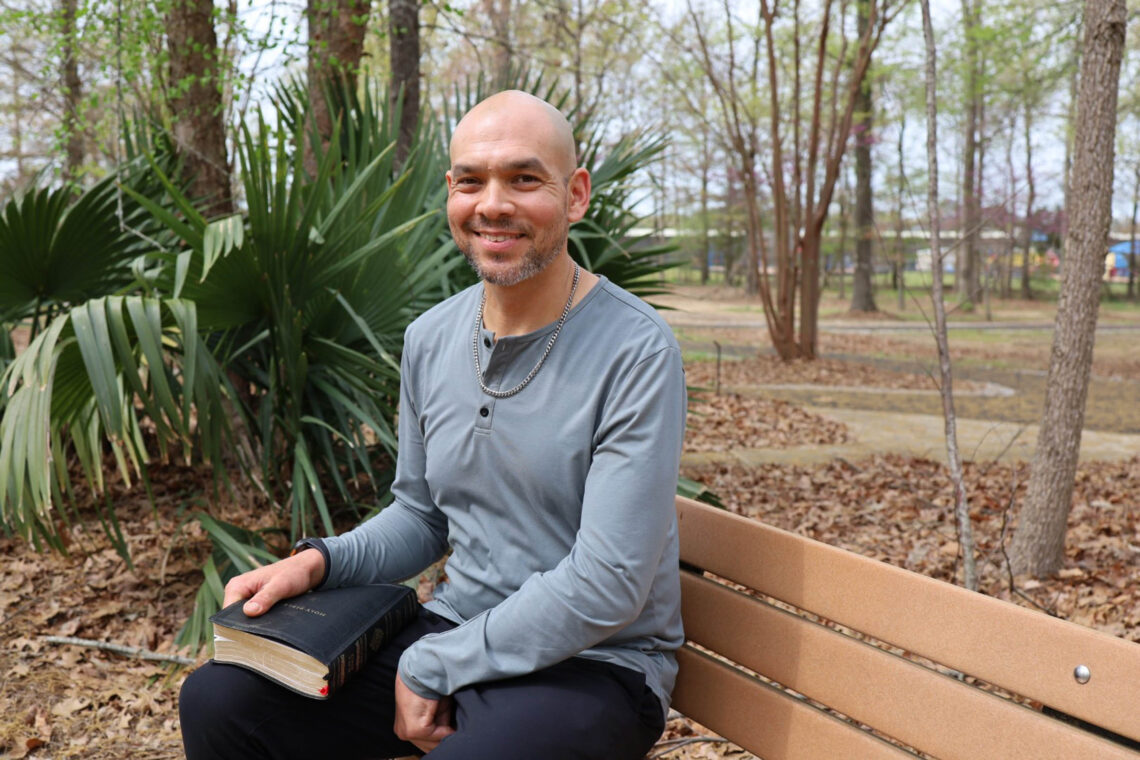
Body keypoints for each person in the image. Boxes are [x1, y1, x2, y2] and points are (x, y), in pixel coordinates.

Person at [179, 89, 687, 760]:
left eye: (525, 179)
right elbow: (422, 515)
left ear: (576, 195)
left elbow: (609, 584)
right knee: (220, 702)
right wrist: (317, 564)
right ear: (451, 193)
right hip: (450, 630)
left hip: (596, 666)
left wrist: (434, 664)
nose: (493, 204)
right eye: (471, 181)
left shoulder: (635, 348)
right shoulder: (430, 337)